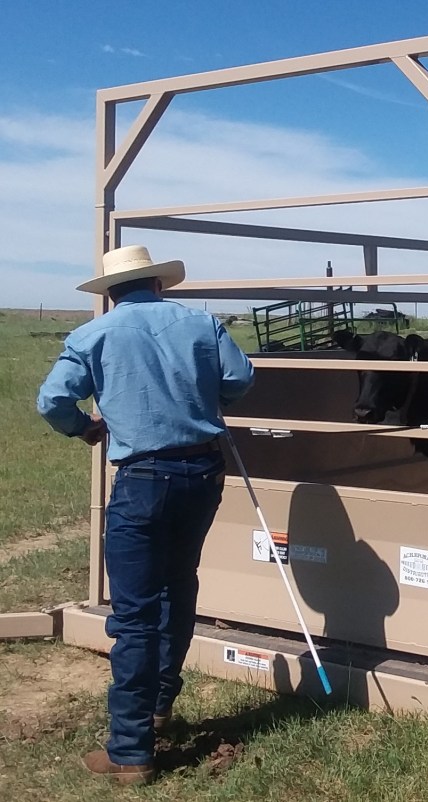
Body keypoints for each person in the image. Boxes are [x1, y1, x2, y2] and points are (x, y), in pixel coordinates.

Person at [37, 245, 255, 785]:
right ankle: (160, 706)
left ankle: (131, 750)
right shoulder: (201, 323)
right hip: (203, 473)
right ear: (159, 283)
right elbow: (240, 379)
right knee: (178, 587)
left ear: (110, 291)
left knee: (133, 612)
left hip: (142, 479)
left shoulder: (94, 336)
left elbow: (52, 401)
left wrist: (84, 427)